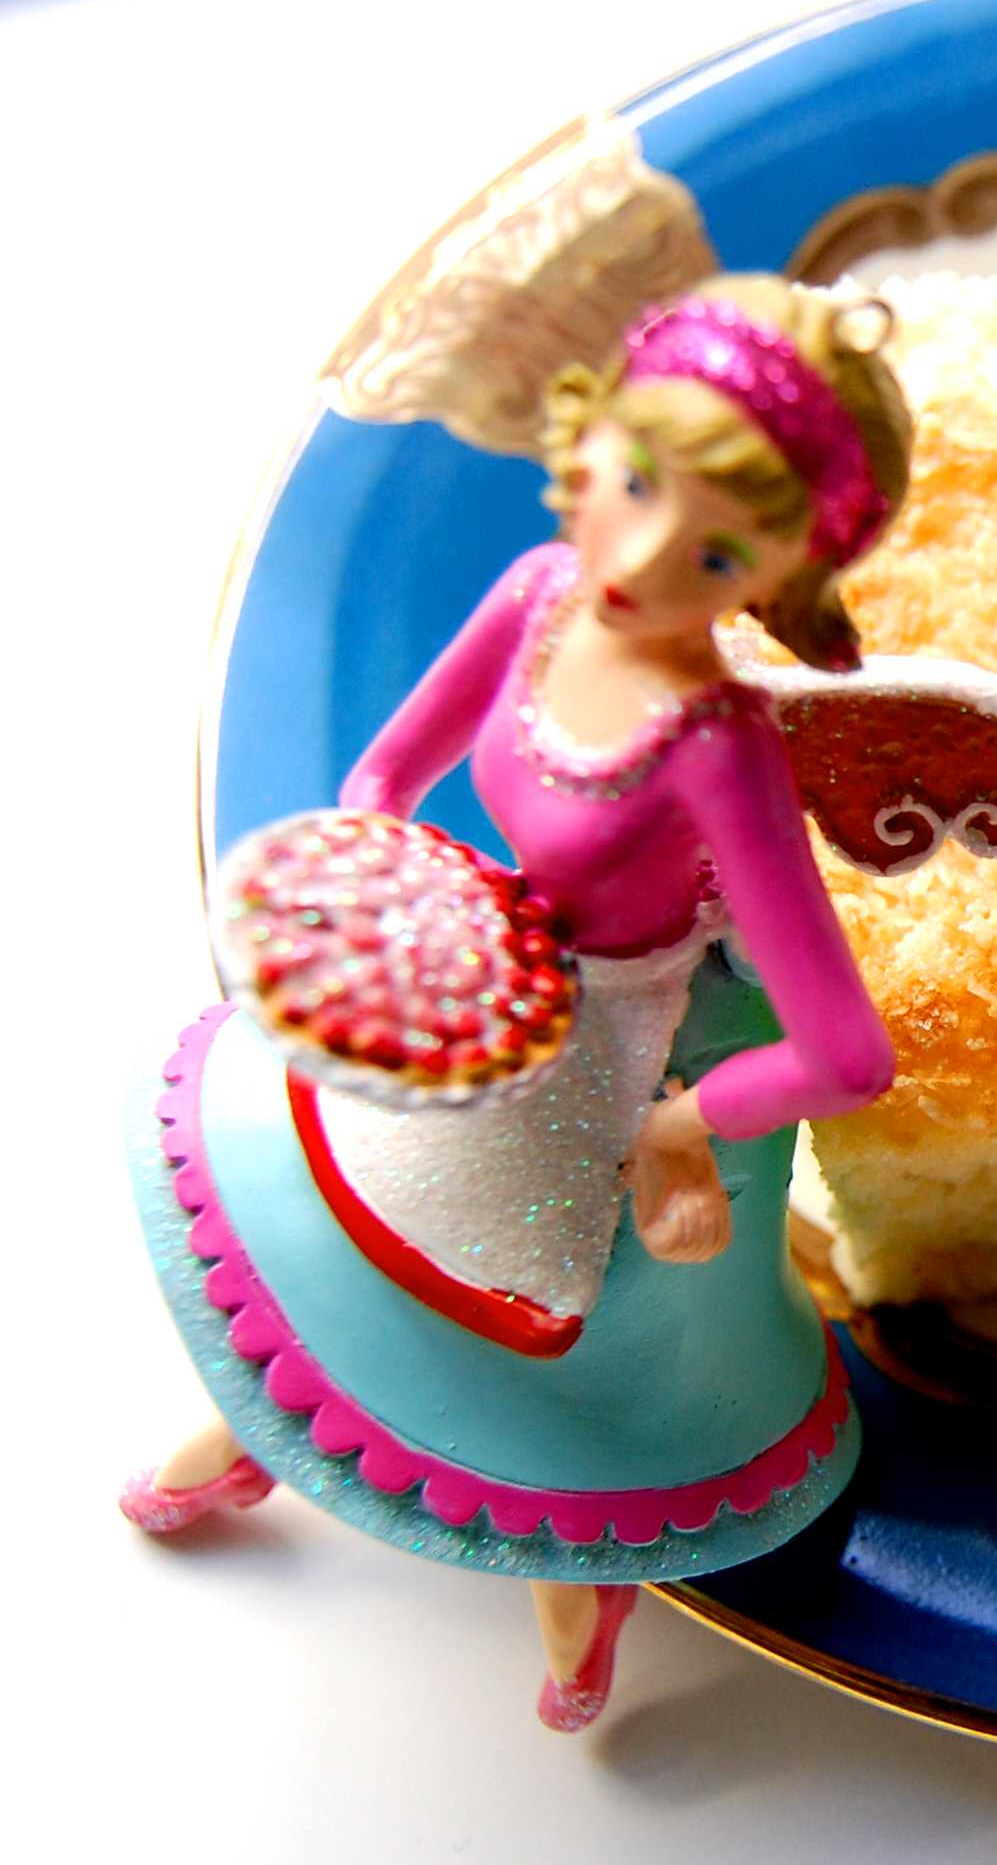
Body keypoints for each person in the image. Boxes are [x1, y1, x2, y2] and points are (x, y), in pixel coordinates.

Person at [123, 277, 916, 1732]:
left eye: (720, 550)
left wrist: (680, 1126)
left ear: (786, 574)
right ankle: (265, 1438)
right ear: (591, 432)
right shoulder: (540, 595)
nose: (645, 560)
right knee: (322, 1225)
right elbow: (386, 771)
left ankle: (580, 1589)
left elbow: (846, 1053)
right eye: (636, 482)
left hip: (621, 1045)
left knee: (556, 1340)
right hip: (470, 964)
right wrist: (390, 910)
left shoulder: (721, 749)